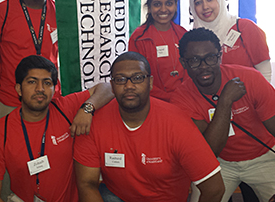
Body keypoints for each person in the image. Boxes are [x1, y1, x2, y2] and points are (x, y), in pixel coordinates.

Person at [74, 51, 225, 202]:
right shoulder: (94, 122)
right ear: (112, 86)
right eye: (120, 79)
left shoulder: (176, 123)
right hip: (117, 196)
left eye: (138, 78)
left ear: (150, 82)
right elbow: (87, 184)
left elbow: (215, 189)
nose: (129, 86)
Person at [171, 28, 275, 202]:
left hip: (263, 157)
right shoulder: (181, 97)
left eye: (210, 57)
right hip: (219, 161)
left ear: (220, 56)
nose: (203, 66)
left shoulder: (251, 78)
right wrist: (225, 102)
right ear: (183, 63)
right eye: (194, 60)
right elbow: (209, 151)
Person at [0, 55, 114, 202]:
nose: (40, 89)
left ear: (54, 89)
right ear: (19, 89)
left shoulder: (65, 108)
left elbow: (108, 88)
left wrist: (87, 109)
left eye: (47, 83)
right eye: (32, 82)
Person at [189, 0, 272, 82]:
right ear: (193, 8)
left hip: (248, 96)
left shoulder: (245, 28)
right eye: (198, 2)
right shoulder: (193, 39)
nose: (205, 6)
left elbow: (265, 72)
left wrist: (262, 97)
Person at [129, 0, 187, 102]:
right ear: (149, 8)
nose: (163, 9)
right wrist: (169, 98)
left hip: (184, 100)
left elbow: (190, 72)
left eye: (169, 3)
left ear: (176, 5)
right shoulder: (138, 38)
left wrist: (181, 96)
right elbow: (138, 77)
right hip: (152, 102)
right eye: (157, 4)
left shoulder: (183, 34)